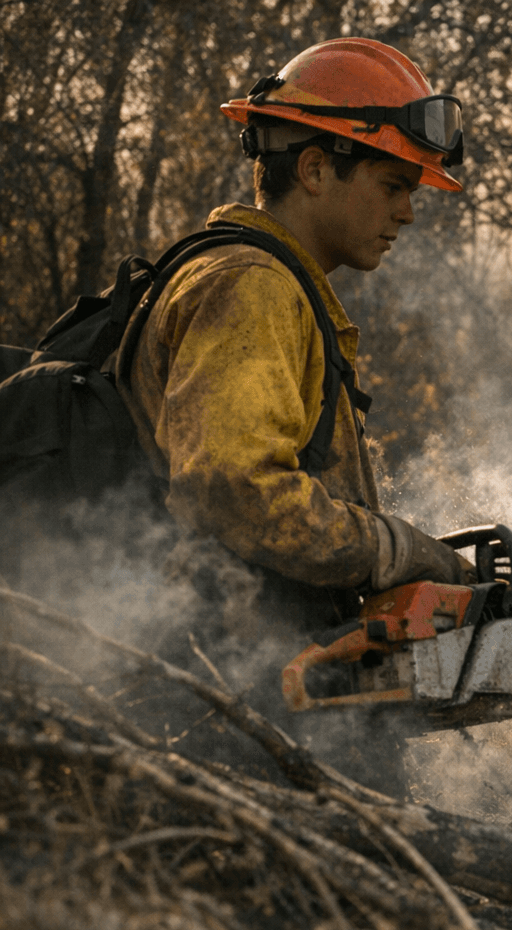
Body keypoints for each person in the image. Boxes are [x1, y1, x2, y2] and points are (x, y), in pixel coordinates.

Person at [119, 38, 474, 644]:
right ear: (313, 169)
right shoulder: (251, 287)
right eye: (392, 185)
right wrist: (396, 548)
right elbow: (236, 492)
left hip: (233, 656)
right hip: (218, 666)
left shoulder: (265, 283)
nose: (407, 213)